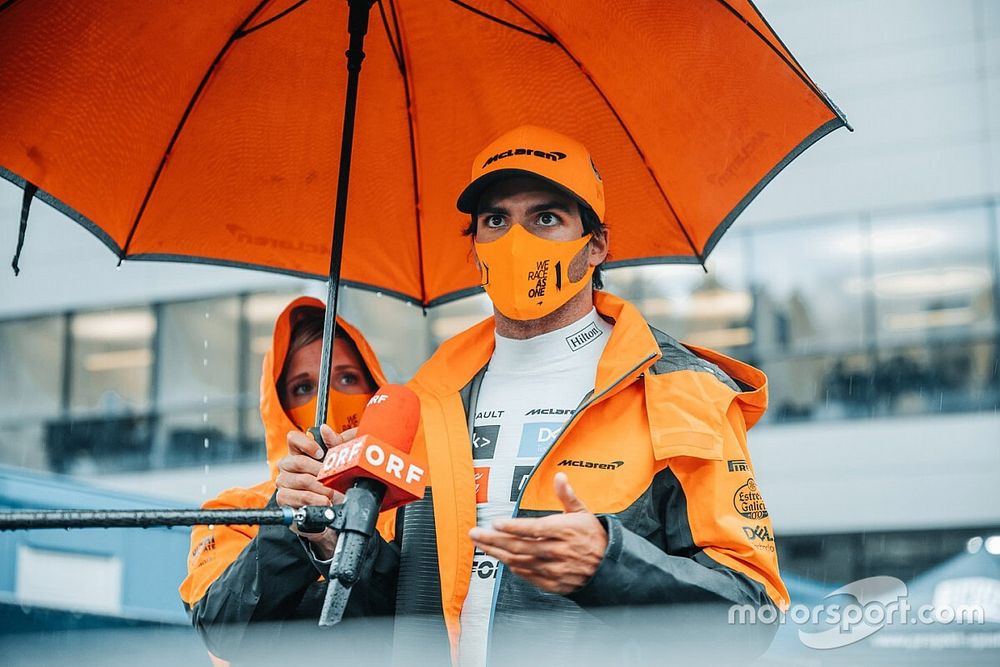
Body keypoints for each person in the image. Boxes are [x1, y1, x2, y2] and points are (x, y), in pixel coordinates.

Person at [212, 126, 789, 665]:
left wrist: (608, 564)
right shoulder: (419, 403)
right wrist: (324, 537)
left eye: (545, 217)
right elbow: (388, 606)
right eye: (496, 220)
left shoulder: (680, 390)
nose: (517, 241)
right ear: (475, 247)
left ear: (596, 246)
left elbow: (753, 614)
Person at [178, 296, 389, 664]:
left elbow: (416, 622)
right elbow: (225, 627)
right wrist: (293, 520)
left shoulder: (413, 503)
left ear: (375, 389)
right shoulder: (233, 511)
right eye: (303, 387)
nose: (329, 397)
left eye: (348, 378)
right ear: (278, 406)